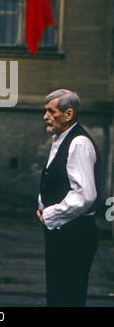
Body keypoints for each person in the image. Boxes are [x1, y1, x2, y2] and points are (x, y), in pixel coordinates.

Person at [37, 89, 101, 307]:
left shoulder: (78, 143)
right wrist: (42, 204)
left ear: (68, 114)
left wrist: (50, 213)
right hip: (63, 230)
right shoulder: (60, 139)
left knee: (68, 295)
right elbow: (56, 180)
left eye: (50, 111)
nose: (45, 117)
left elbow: (85, 194)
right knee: (58, 291)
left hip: (75, 234)